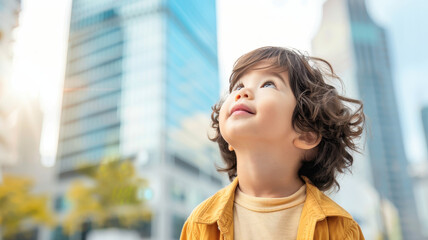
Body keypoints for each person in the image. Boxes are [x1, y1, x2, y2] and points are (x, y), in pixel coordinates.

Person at [180, 46, 365, 239]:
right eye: (239, 86)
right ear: (229, 142)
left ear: (306, 134)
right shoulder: (199, 224)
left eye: (268, 84)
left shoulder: (341, 230)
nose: (242, 93)